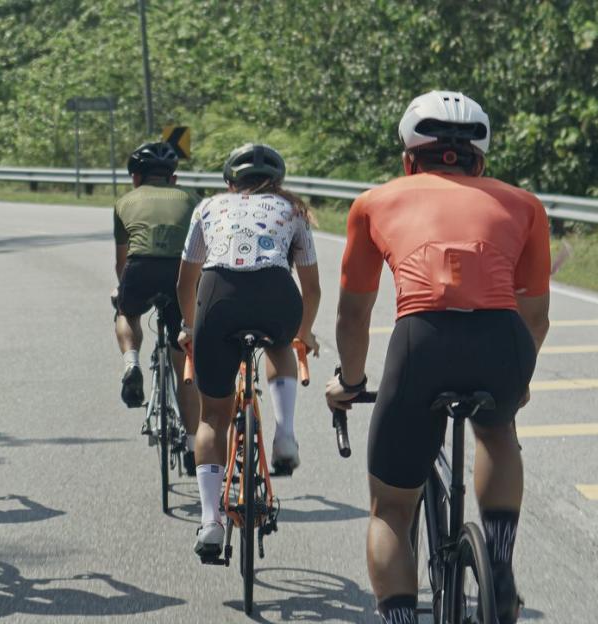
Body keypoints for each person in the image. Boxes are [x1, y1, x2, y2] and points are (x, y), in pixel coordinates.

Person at [325, 91, 550, 624]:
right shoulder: (524, 204)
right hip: (503, 340)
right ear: (481, 159)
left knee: (390, 510)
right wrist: (516, 382)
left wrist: (351, 382)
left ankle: (402, 618)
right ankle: (497, 561)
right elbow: (535, 318)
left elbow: (353, 317)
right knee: (497, 429)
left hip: (421, 341)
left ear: (409, 157)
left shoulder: (375, 202)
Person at [177, 143, 321, 559]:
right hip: (277, 296)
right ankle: (286, 435)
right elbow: (311, 288)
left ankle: (210, 522)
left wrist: (191, 327)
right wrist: (304, 332)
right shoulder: (293, 210)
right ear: (278, 183)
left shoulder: (208, 207)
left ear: (229, 183)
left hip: (217, 297)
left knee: (212, 417)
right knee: (281, 344)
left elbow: (186, 280)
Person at [111, 141, 201, 463]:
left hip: (141, 268)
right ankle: (193, 448)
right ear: (173, 178)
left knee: (127, 312)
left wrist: (122, 292)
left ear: (136, 178)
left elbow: (122, 263)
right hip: (181, 273)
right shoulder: (192, 200)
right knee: (185, 363)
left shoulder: (125, 201)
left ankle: (131, 361)